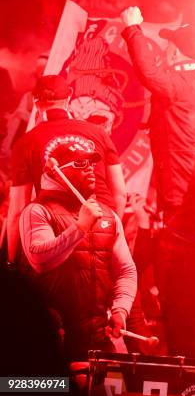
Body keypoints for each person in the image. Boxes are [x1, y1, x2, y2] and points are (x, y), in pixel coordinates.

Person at [18, 140, 136, 361]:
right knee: (41, 389)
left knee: (113, 394)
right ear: (56, 173)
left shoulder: (108, 216)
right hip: (51, 345)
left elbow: (125, 271)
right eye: (80, 163)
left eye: (91, 163)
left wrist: (121, 309)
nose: (90, 169)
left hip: (99, 343)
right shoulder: (36, 211)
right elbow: (40, 260)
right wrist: (80, 228)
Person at [7, 74, 127, 265]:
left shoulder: (25, 143)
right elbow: (120, 193)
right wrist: (110, 230)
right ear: (69, 97)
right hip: (102, 222)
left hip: (58, 230)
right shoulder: (99, 133)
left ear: (36, 102)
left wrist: (10, 262)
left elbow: (17, 210)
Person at [120, 5, 195, 221]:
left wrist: (132, 29)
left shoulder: (180, 84)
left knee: (170, 244)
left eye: (168, 46)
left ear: (175, 52)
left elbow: (149, 73)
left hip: (179, 190)